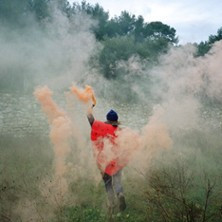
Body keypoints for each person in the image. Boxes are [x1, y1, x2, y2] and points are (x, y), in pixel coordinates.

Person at [87, 105, 126, 212]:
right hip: (117, 161)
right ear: (116, 121)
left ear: (107, 120)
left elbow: (90, 119)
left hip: (105, 161)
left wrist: (90, 107)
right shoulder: (120, 131)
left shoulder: (100, 128)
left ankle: (111, 203)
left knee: (108, 183)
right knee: (117, 181)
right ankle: (120, 194)